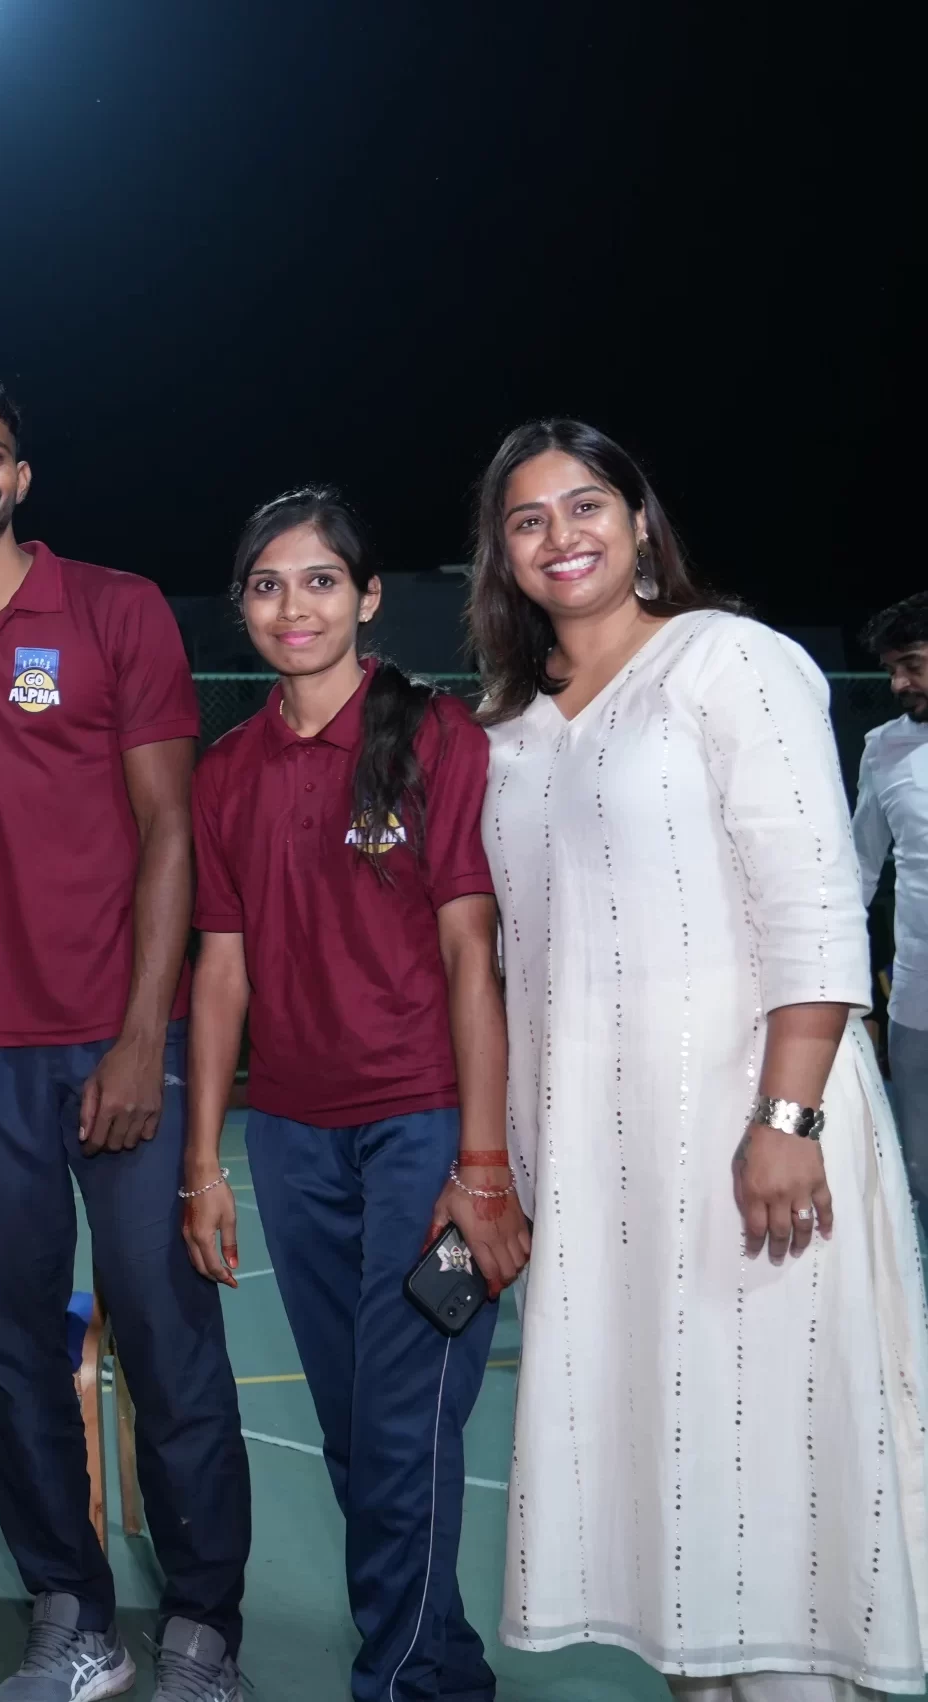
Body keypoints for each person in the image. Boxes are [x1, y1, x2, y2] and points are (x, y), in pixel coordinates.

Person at [473, 419, 928, 1697]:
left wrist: (788, 1116)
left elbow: (817, 905)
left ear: (636, 519)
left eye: (583, 504)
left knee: (768, 1479)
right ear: (501, 557)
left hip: (750, 1147)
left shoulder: (730, 662)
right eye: (526, 519)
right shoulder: (508, 731)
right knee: (674, 1501)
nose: (559, 534)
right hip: (599, 1167)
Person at [0, 371, 252, 1702]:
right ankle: (71, 1610)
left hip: (114, 1030)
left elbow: (169, 829)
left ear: (21, 475)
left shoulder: (113, 608)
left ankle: (203, 1625)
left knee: (163, 1335)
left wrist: (143, 1033)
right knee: (15, 1346)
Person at [180, 487, 528, 1702]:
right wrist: (200, 1164)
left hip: (424, 1127)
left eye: (320, 579)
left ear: (367, 598)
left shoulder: (434, 736)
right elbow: (217, 974)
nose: (294, 605)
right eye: (269, 584)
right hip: (289, 1139)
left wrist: (480, 1165)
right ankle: (440, 1661)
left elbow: (468, 958)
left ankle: (405, 1682)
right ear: (243, 609)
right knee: (353, 1434)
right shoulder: (224, 771)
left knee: (399, 1430)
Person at [855, 592, 928, 1215]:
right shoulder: (882, 748)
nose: (900, 683)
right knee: (923, 1172)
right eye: (891, 670)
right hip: (917, 1004)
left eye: (913, 664)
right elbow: (857, 874)